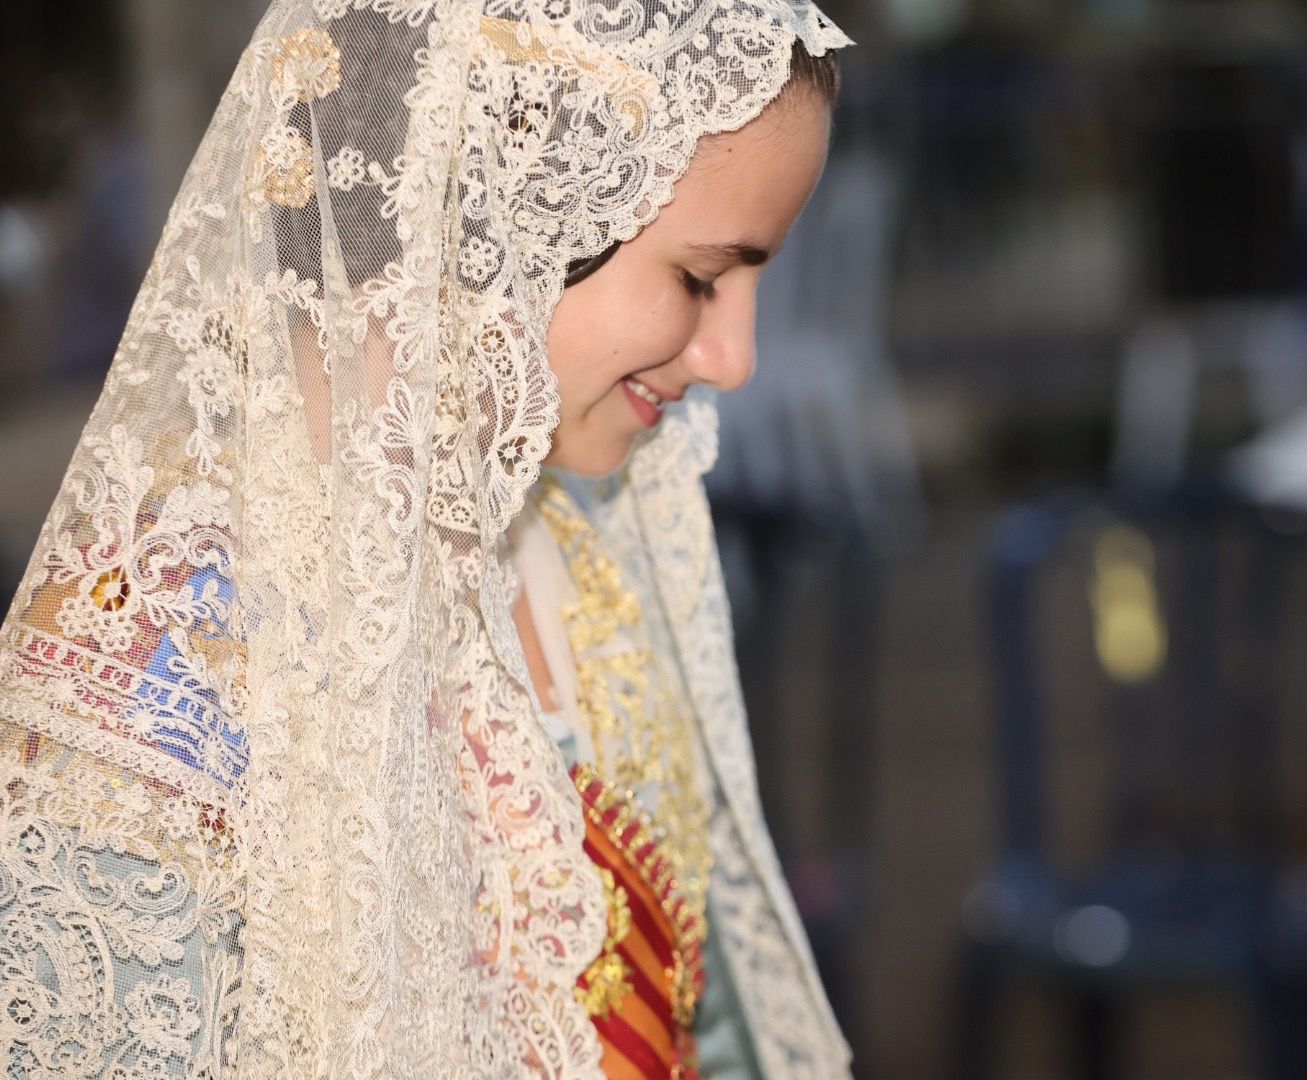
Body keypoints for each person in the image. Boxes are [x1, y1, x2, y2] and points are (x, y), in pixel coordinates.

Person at [0, 2, 851, 1077]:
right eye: (698, 278)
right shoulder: (147, 664)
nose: (734, 358)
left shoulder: (579, 554)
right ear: (499, 201)